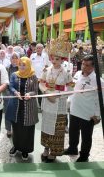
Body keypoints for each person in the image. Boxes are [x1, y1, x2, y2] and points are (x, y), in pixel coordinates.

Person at [39, 34, 74, 162]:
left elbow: (71, 88)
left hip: (59, 104)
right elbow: (41, 83)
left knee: (57, 128)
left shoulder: (66, 73)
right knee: (46, 126)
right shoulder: (46, 70)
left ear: (63, 60)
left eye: (57, 59)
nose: (54, 61)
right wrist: (47, 92)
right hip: (48, 103)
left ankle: (54, 151)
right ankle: (46, 148)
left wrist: (59, 95)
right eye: (53, 58)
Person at [64, 55, 104, 162]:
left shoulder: (98, 81)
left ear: (93, 67)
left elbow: (101, 100)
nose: (83, 67)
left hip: (87, 113)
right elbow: (73, 89)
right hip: (74, 109)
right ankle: (72, 148)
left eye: (87, 65)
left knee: (86, 136)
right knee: (73, 132)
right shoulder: (77, 74)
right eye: (83, 64)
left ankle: (84, 155)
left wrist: (97, 115)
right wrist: (69, 101)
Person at [6, 57, 39, 160]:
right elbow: (10, 86)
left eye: (24, 65)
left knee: (27, 129)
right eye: (20, 64)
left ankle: (26, 149)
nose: (21, 66)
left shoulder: (33, 76)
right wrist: (15, 92)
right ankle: (16, 146)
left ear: (28, 65)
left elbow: (36, 91)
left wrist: (30, 93)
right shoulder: (14, 75)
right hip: (16, 106)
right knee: (16, 127)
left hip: (29, 107)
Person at [4, 52, 19, 138]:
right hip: (8, 94)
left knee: (17, 113)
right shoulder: (6, 69)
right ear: (10, 59)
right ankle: (8, 129)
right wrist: (7, 93)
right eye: (13, 58)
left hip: (18, 94)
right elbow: (4, 82)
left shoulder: (21, 68)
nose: (14, 59)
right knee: (8, 112)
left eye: (16, 57)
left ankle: (16, 129)